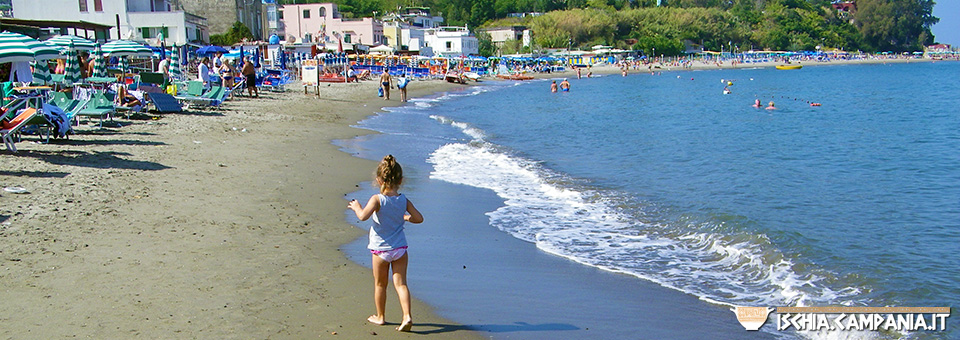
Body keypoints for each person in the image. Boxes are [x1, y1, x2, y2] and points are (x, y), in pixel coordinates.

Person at [348, 155, 423, 333]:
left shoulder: (377, 199)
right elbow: (419, 218)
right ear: (401, 180)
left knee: (380, 284)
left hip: (380, 250)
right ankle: (407, 316)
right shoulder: (404, 200)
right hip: (400, 249)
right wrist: (405, 217)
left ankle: (381, 317)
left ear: (378, 180)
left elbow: (363, 216)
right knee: (401, 284)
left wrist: (356, 206)